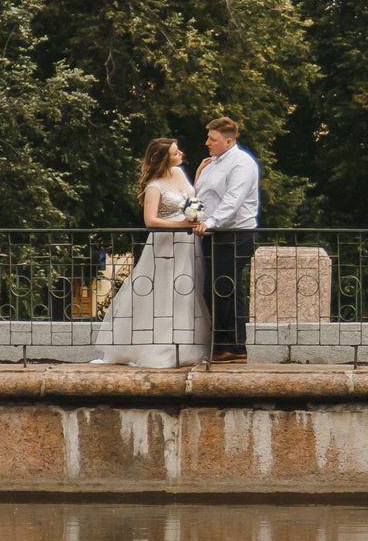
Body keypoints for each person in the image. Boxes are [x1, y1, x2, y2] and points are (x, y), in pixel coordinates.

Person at [89, 137, 207, 368]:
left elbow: (189, 197)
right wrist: (182, 225)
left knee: (186, 292)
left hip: (188, 245)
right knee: (164, 293)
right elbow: (150, 220)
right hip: (166, 243)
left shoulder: (181, 173)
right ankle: (159, 350)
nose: (180, 154)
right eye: (175, 153)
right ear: (164, 159)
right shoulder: (154, 186)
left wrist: (200, 174)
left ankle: (186, 348)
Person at [189, 116, 260, 363]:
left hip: (234, 235)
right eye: (208, 137)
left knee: (221, 290)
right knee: (221, 290)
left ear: (228, 141)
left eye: (212, 138)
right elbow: (201, 196)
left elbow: (233, 200)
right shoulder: (212, 164)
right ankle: (227, 346)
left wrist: (210, 222)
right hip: (214, 235)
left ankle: (233, 347)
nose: (207, 142)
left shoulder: (242, 164)